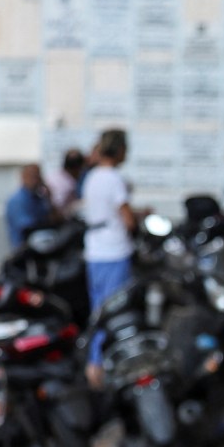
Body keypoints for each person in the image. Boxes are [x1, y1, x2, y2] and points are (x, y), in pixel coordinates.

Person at [79, 129, 135, 371]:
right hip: (114, 250)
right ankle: (111, 363)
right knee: (117, 311)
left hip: (95, 251)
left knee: (99, 310)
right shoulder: (113, 178)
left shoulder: (92, 177)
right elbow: (127, 219)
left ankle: (95, 361)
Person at [3, 164, 54, 251]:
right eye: (32, 176)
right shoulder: (17, 200)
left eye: (37, 176)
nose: (35, 180)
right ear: (23, 177)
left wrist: (49, 197)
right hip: (23, 250)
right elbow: (28, 228)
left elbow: (51, 216)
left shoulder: (38, 198)